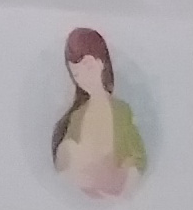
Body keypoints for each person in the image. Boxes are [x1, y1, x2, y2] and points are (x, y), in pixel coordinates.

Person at [48, 24, 145, 199]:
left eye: (88, 66)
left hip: (114, 191)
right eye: (76, 74)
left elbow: (137, 158)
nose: (83, 77)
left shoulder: (121, 111)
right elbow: (64, 164)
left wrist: (121, 183)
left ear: (101, 63)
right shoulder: (77, 116)